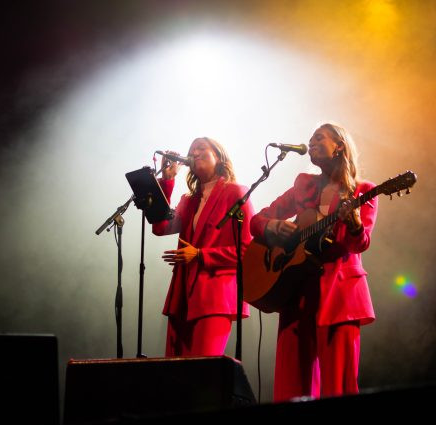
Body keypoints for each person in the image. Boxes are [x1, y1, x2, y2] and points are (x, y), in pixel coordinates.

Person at [250, 123, 378, 400]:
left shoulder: (363, 191)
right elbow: (256, 219)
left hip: (340, 293)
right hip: (295, 290)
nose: (311, 142)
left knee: (338, 385)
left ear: (339, 146)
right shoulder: (303, 184)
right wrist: (273, 226)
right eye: (310, 139)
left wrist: (354, 225)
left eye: (319, 138)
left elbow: (359, 244)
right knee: (290, 385)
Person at [152, 137, 254, 357]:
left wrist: (199, 255)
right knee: (176, 376)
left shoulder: (236, 192)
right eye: (191, 150)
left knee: (202, 374)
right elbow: (160, 227)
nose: (194, 153)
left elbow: (247, 250)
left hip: (214, 296)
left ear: (219, 157)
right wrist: (166, 182)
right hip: (182, 295)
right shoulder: (189, 200)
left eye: (201, 148)